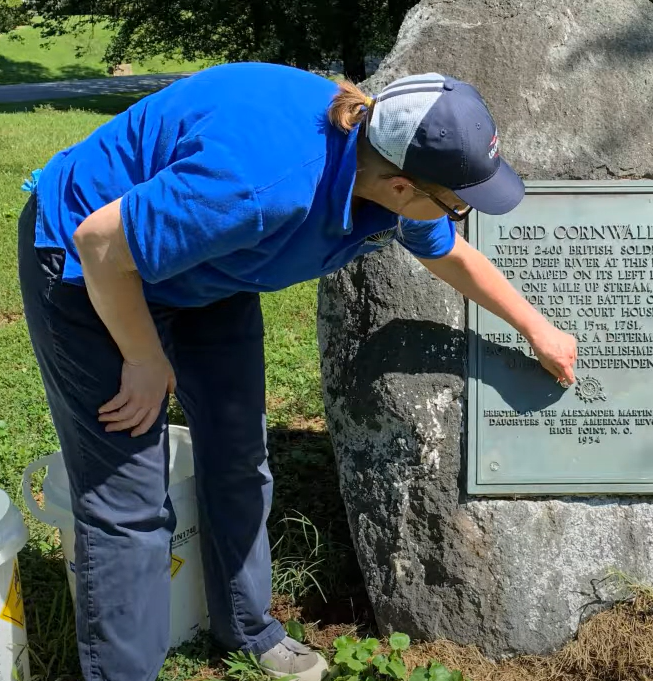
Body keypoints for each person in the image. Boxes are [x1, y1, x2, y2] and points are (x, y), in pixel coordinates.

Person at [17, 62, 577, 681]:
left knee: (239, 457)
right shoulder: (263, 186)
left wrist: (536, 327)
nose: (458, 213)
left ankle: (248, 628)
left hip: (209, 268)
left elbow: (445, 250)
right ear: (400, 187)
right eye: (457, 204)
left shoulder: (382, 161)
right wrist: (144, 358)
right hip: (86, 263)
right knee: (129, 502)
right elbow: (101, 243)